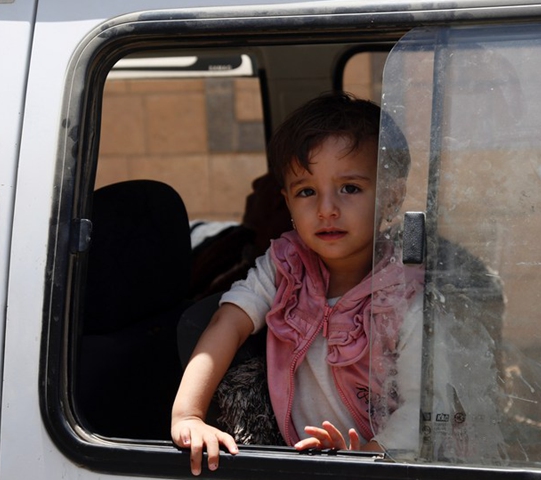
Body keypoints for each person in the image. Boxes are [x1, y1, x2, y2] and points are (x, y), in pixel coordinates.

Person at [171, 91, 424, 475]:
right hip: (304, 460)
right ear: (287, 203)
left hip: (384, 464)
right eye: (307, 192)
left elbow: (421, 407)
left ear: (391, 196)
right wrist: (189, 414)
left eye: (350, 188)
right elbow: (228, 323)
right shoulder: (285, 266)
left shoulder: (406, 293)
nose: (326, 209)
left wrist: (364, 457)